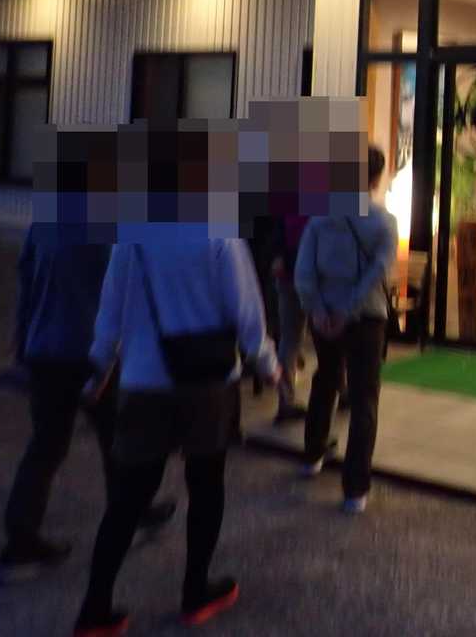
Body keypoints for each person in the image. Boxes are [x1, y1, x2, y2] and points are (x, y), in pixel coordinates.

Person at [72, 238, 279, 636]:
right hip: (209, 382)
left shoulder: (132, 238)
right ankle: (195, 592)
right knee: (206, 484)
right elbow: (246, 311)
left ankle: (95, 607)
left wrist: (98, 369)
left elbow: (110, 311)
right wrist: (267, 363)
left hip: (142, 382)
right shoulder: (220, 235)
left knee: (128, 497)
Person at [0, 229, 175, 584]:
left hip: (44, 350)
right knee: (119, 438)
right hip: (89, 353)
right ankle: (131, 513)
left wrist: (23, 336)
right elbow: (119, 295)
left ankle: (20, 538)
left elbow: (26, 278)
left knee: (46, 445)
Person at [294, 145, 397, 515]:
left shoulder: (320, 218)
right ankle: (355, 488)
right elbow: (378, 272)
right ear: (376, 178)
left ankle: (312, 454)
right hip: (366, 318)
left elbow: (304, 272)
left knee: (326, 379)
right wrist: (348, 309)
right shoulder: (383, 222)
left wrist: (320, 310)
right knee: (364, 398)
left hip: (324, 317)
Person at [269, 212, 311, 422]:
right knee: (328, 339)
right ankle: (340, 389)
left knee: (289, 340)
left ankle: (286, 400)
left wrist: (278, 256)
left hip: (287, 271)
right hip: (311, 274)